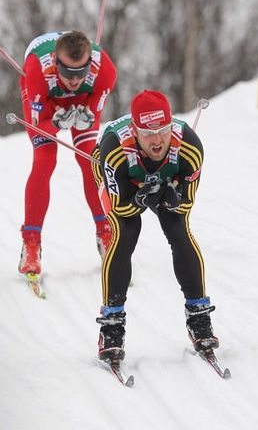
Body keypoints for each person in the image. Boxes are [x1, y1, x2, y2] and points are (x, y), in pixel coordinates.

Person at [92, 90, 220, 362]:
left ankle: (199, 320)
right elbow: (117, 207)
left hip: (166, 178)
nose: (158, 139)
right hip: (125, 180)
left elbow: (186, 204)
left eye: (163, 130)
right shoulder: (114, 149)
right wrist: (139, 197)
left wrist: (173, 199)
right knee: (126, 234)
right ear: (134, 131)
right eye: (148, 133)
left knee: (178, 230)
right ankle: (111, 326)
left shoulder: (189, 146)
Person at [17, 30, 117, 277]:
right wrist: (57, 123)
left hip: (84, 99)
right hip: (47, 101)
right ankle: (31, 245)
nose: (74, 79)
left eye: (80, 72)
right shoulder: (37, 72)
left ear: (90, 64)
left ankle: (106, 233)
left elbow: (93, 110)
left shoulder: (104, 72)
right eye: (68, 72)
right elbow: (38, 124)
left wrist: (86, 114)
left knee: (89, 160)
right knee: (44, 160)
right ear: (55, 61)